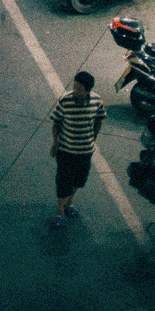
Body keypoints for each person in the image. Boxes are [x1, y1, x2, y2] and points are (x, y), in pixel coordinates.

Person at [50, 71, 104, 225]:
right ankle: (60, 212)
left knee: (79, 180)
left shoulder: (97, 101)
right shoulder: (65, 101)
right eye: (74, 87)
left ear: (87, 90)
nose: (74, 91)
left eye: (78, 89)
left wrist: (93, 138)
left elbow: (99, 119)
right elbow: (56, 123)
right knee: (63, 181)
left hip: (85, 151)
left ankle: (69, 203)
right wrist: (55, 143)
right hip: (66, 151)